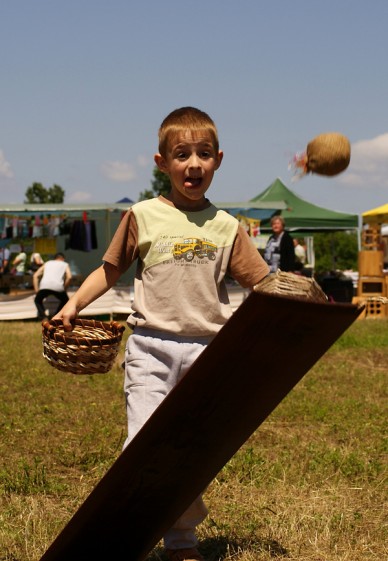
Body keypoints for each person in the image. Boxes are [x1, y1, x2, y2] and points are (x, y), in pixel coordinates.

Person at [53, 107, 269, 561]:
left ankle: (181, 542)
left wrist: (303, 306)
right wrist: (72, 303)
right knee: (143, 447)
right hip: (150, 348)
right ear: (162, 163)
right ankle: (131, 532)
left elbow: (262, 283)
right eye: (182, 154)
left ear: (219, 160)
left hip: (209, 353)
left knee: (189, 454)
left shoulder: (227, 226)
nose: (194, 164)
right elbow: (110, 271)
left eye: (204, 154)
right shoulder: (142, 215)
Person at [33, 252, 72, 320]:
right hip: (58, 287)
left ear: (55, 258)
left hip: (44, 286)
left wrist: (37, 290)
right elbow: (69, 277)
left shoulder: (47, 263)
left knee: (37, 300)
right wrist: (64, 288)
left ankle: (43, 316)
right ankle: (56, 316)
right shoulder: (65, 264)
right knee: (65, 301)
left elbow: (35, 275)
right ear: (63, 259)